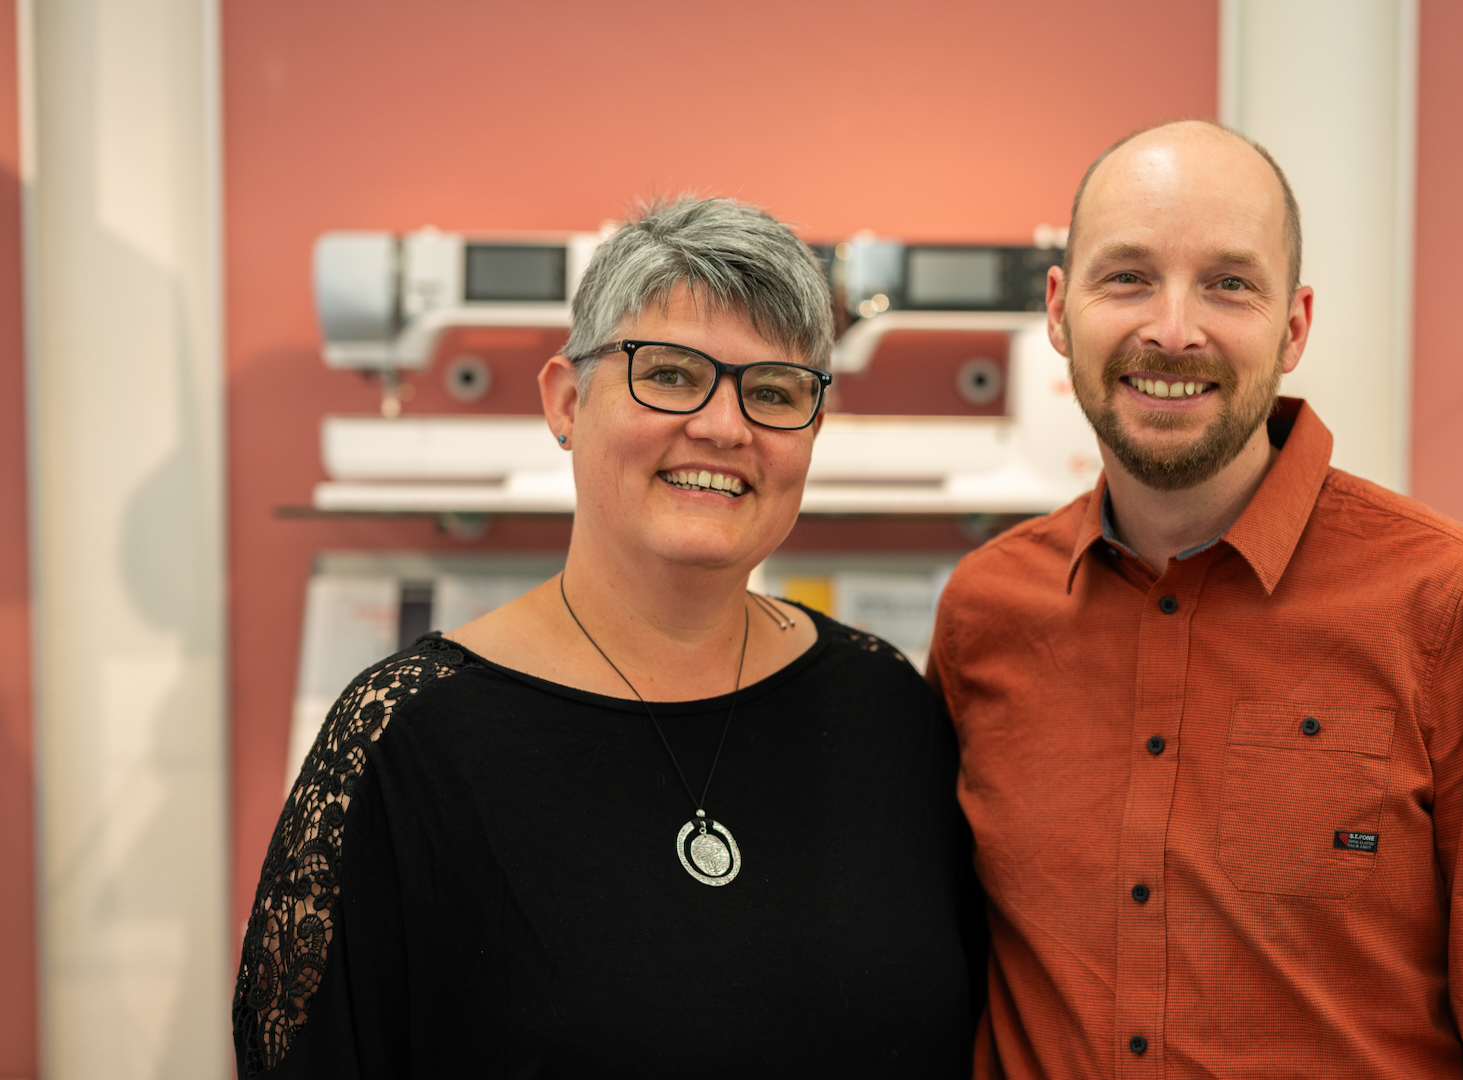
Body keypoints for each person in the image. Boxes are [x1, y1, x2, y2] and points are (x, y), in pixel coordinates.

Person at [926, 119, 1463, 1078]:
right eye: (1126, 276)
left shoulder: (1452, 601)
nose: (1173, 330)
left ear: (1294, 326)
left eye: (1229, 283)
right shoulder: (985, 612)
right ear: (1058, 311)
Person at [233, 196, 981, 1077]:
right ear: (565, 401)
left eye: (775, 390)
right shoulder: (407, 741)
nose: (724, 426)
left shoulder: (883, 704)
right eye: (668, 374)